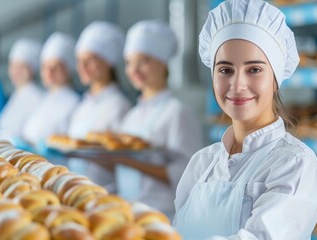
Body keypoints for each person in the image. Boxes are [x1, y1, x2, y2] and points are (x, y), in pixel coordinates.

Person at [173, 0, 317, 239]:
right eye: (225, 70)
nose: (237, 85)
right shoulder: (202, 163)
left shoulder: (295, 165)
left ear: (275, 79)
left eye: (254, 69)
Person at [98, 20, 203, 219]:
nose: (134, 70)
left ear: (163, 63)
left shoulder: (177, 112)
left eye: (143, 61)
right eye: (129, 62)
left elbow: (186, 174)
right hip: (128, 214)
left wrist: (127, 161)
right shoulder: (132, 115)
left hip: (161, 215)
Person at [67, 21, 131, 188]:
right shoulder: (83, 105)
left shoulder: (118, 105)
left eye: (91, 59)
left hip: (104, 193)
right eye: (79, 60)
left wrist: (88, 154)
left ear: (108, 62)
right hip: (77, 190)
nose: (83, 66)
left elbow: (124, 162)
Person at [22, 32, 79, 146]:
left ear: (68, 69)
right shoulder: (45, 98)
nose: (49, 72)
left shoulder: (74, 103)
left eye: (56, 67)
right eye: (45, 66)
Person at [0, 38, 43, 140]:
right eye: (13, 65)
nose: (15, 71)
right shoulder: (17, 94)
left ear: (32, 69)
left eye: (22, 67)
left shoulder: (37, 97)